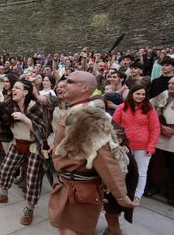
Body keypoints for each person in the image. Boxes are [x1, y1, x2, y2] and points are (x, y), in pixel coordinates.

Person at [48, 71, 136, 235]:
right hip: (69, 184)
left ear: (84, 88)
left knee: (71, 230)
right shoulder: (77, 110)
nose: (64, 84)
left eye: (70, 81)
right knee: (65, 227)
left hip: (79, 189)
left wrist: (121, 194)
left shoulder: (88, 116)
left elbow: (104, 158)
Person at [0, 79, 47, 226]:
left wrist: (24, 118)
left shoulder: (35, 107)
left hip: (33, 146)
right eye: (14, 87)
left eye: (17, 88)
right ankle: (4, 194)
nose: (13, 89)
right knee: (5, 169)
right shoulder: (9, 104)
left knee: (32, 180)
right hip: (17, 143)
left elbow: (41, 130)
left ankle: (29, 209)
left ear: (25, 92)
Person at [113, 84, 160, 204]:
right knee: (122, 169)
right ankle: (120, 193)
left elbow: (155, 128)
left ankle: (137, 195)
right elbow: (114, 126)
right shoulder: (122, 107)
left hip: (143, 145)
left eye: (143, 94)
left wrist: (151, 146)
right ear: (132, 94)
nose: (140, 96)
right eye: (138, 93)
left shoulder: (149, 108)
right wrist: (117, 142)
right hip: (124, 145)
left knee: (141, 171)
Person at [146, 77, 174, 204]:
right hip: (161, 131)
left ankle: (171, 194)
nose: (170, 85)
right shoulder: (165, 94)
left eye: (173, 83)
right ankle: (153, 187)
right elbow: (149, 105)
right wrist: (161, 126)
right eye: (169, 83)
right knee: (157, 164)